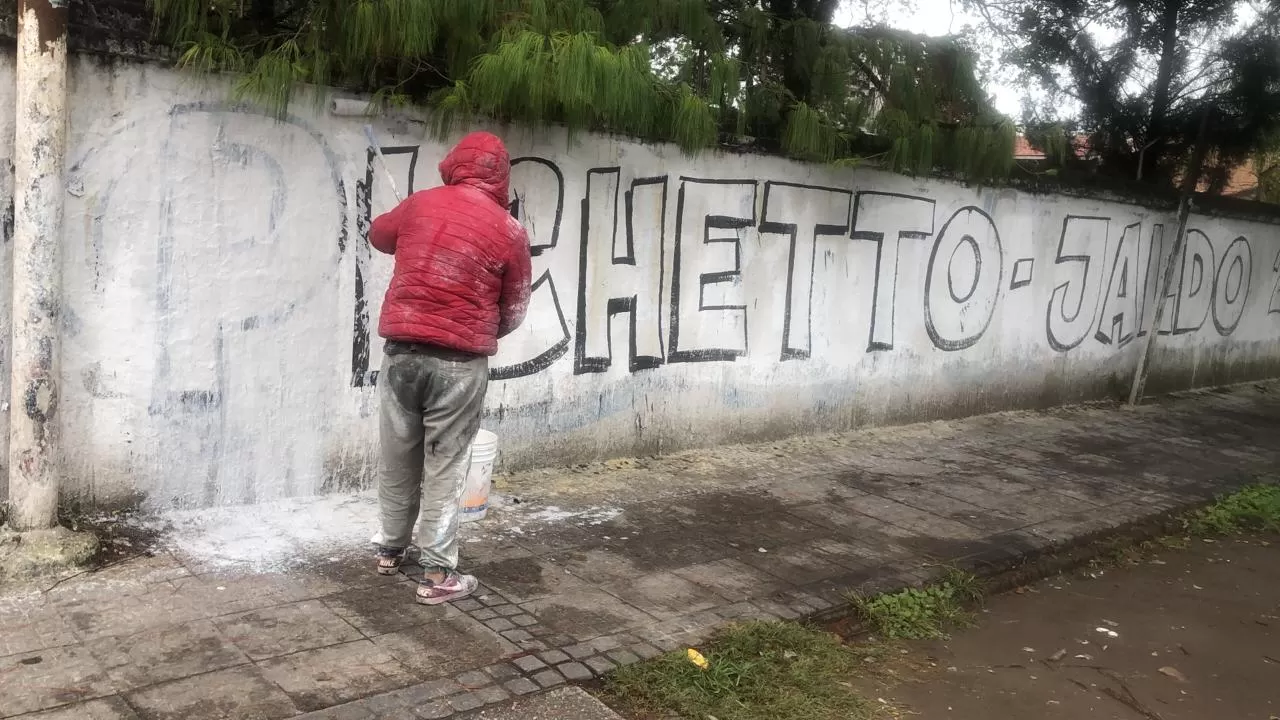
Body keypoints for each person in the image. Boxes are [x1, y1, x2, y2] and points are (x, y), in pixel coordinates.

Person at [368, 131, 531, 605]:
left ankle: (389, 550)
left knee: (398, 455)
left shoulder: (420, 204)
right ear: (501, 176)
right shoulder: (509, 230)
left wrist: (409, 221)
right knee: (446, 465)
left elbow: (379, 233)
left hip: (401, 354)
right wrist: (477, 331)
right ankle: (437, 575)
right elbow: (516, 306)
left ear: (453, 163)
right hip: (459, 365)